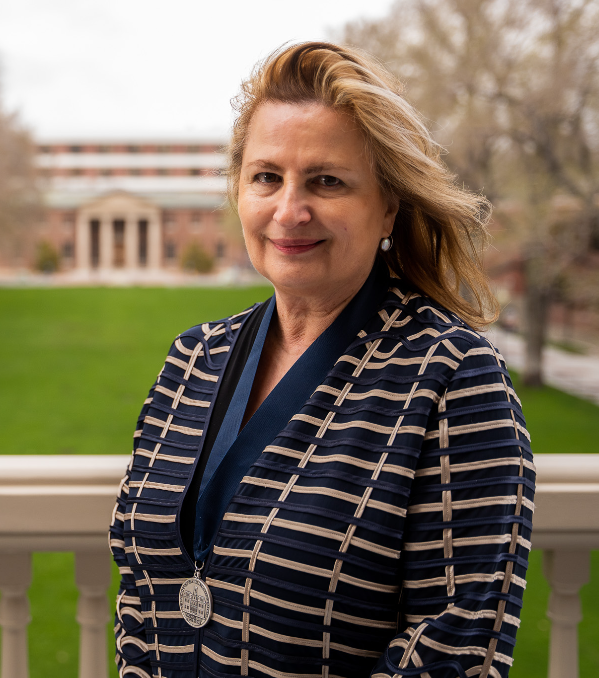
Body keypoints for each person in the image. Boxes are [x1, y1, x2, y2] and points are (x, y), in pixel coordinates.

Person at [109, 42, 534, 678]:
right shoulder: (192, 360)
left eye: (327, 181)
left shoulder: (452, 379)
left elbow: (454, 648)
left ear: (388, 204)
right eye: (267, 177)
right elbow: (141, 601)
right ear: (239, 190)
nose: (289, 210)